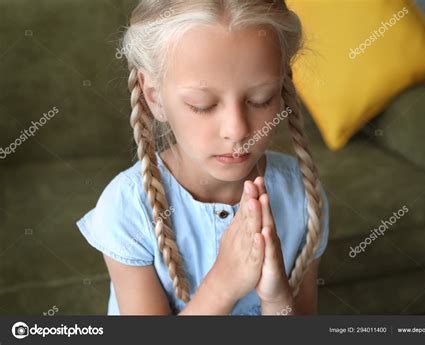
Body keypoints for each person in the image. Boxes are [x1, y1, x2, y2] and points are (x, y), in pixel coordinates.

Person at [76, 0, 330, 315]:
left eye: (260, 99)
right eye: (202, 104)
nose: (236, 130)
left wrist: (277, 298)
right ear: (154, 96)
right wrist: (222, 285)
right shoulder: (128, 208)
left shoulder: (303, 197)